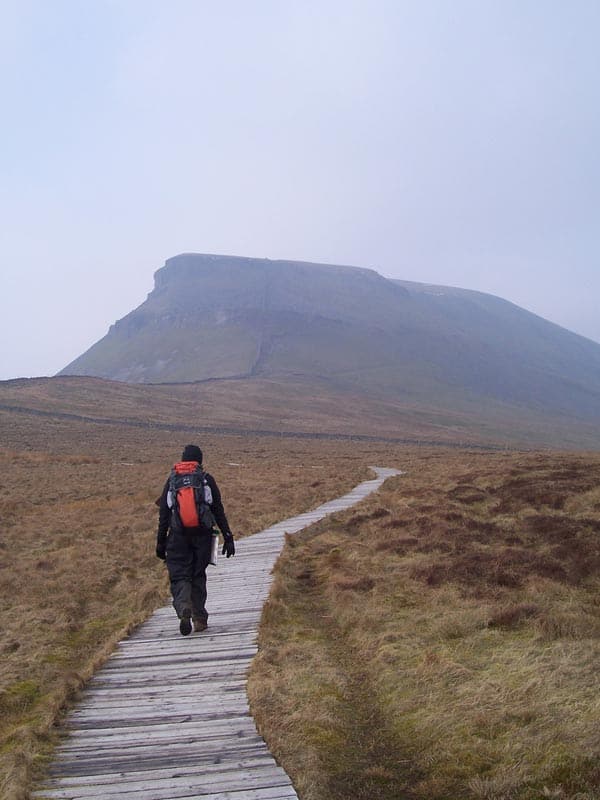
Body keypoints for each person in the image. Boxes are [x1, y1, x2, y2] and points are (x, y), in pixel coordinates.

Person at [155, 444, 235, 635]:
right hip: (203, 536)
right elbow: (218, 510)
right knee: (198, 575)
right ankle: (199, 618)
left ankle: (183, 606)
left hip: (178, 536)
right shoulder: (206, 480)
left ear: (183, 460)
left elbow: (164, 514)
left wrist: (160, 542)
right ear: (200, 460)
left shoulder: (173, 481)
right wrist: (228, 536)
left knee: (179, 575)